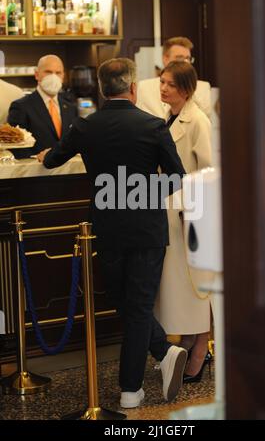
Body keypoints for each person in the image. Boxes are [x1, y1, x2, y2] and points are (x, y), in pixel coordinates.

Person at [37, 58, 188, 408]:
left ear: (103, 90)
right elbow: (178, 176)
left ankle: (134, 385)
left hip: (107, 229)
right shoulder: (152, 125)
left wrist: (45, 153)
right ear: (133, 88)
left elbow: (52, 161)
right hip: (148, 229)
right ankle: (158, 359)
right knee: (134, 305)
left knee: (124, 301)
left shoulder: (84, 126)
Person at [154, 60, 213, 383]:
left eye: (170, 84)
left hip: (190, 212)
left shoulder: (197, 121)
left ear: (186, 89)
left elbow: (207, 169)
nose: (163, 88)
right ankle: (189, 340)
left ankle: (202, 347)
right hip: (171, 210)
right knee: (177, 284)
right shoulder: (170, 116)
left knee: (195, 285)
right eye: (161, 82)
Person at [7, 54, 77, 157]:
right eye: (48, 72)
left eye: (58, 73)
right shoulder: (21, 106)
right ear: (37, 74)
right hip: (36, 170)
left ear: (63, 76)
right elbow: (15, 147)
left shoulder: (70, 107)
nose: (53, 77)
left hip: (68, 169)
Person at [137, 36, 211, 119]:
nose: (186, 62)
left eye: (188, 58)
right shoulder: (144, 87)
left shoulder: (203, 88)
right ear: (165, 59)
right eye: (180, 58)